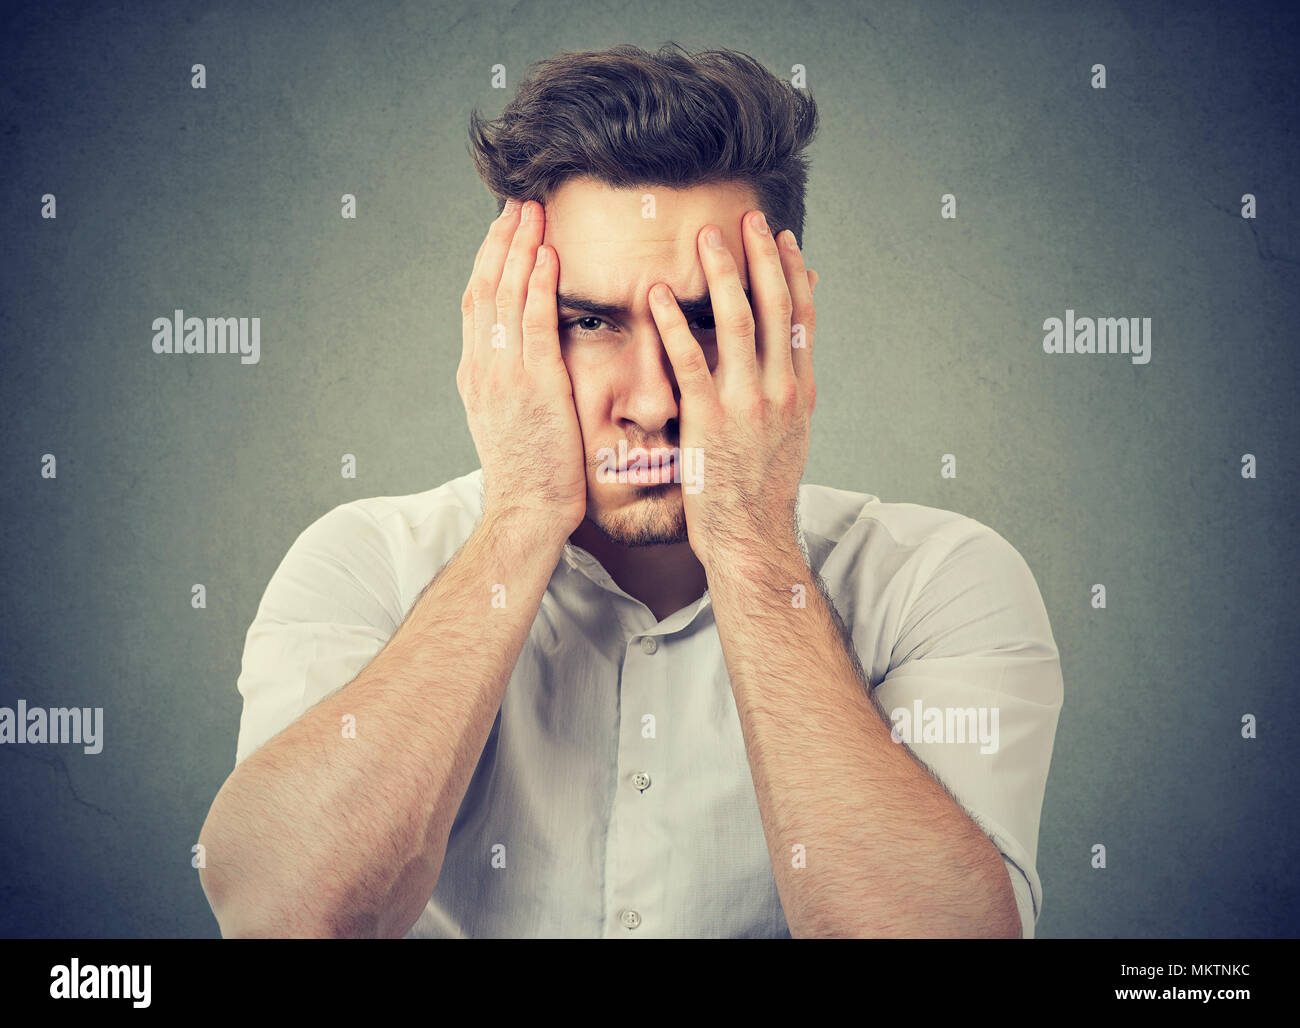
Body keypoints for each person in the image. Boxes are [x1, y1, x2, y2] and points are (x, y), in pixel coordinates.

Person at [197, 42, 1063, 939]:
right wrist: (523, 516)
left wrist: (752, 538)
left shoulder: (939, 582)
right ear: (508, 329)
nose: (653, 401)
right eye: (589, 322)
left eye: (704, 323)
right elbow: (281, 918)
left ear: (787, 328)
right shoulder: (366, 565)